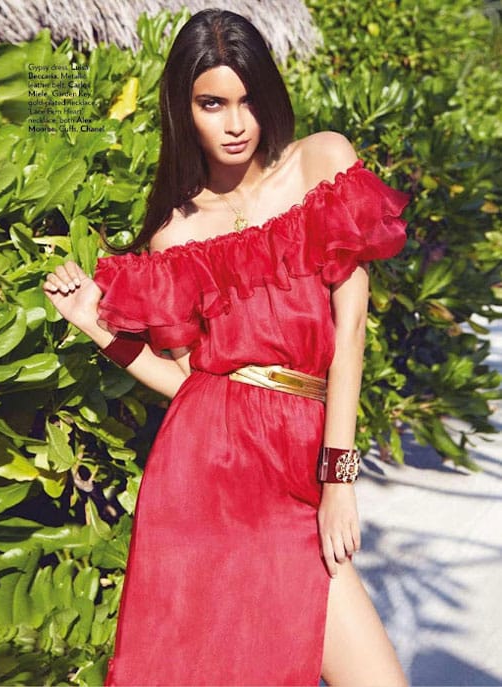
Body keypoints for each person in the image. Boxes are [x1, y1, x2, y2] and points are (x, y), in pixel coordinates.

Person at [44, 8, 409, 686]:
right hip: (208, 470)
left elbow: (352, 327)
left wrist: (338, 477)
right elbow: (189, 380)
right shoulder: (175, 232)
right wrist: (98, 327)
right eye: (212, 104)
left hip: (303, 463)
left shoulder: (322, 163)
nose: (235, 123)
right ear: (184, 111)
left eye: (247, 100)